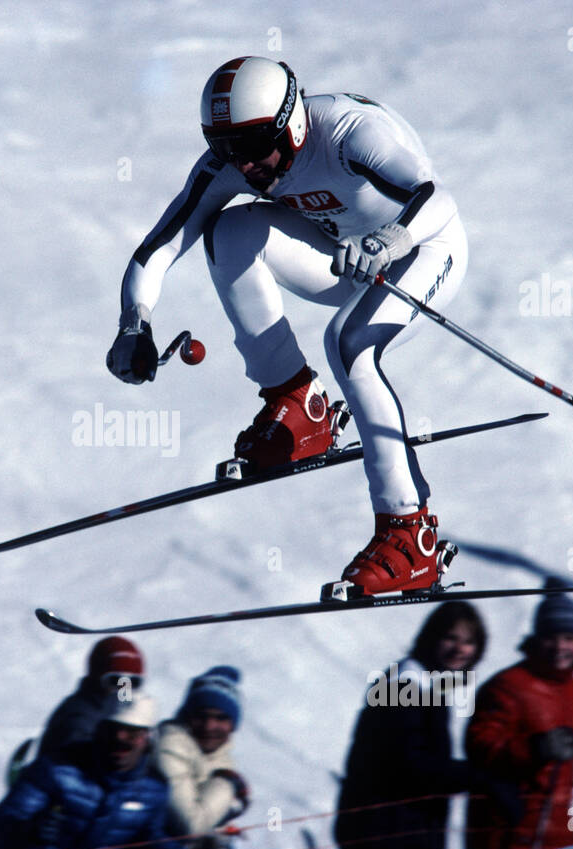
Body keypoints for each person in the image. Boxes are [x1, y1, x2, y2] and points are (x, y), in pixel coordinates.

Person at [107, 55, 466, 596]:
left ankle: (409, 533)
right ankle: (300, 407)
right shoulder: (237, 160)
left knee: (349, 345)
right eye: (225, 150)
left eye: (252, 149)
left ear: (292, 124)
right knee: (228, 232)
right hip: (344, 257)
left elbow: (435, 197)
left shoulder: (349, 132)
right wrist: (135, 322)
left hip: (423, 249)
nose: (243, 167)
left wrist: (392, 240)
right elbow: (160, 244)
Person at [335, 601, 486, 849]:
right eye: (450, 638)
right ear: (432, 637)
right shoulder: (403, 684)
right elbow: (410, 766)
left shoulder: (430, 685)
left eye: (469, 642)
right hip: (382, 841)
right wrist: (477, 777)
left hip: (405, 838)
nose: (460, 649)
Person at [0, 695, 190, 849]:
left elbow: (149, 839)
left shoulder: (152, 790)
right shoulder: (58, 769)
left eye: (132, 736)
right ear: (100, 732)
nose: (120, 744)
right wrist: (29, 829)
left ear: (147, 740)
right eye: (112, 732)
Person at [466, 589, 573, 849]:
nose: (560, 647)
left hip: (560, 838)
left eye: (569, 638)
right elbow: (479, 746)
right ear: (537, 640)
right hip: (510, 836)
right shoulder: (508, 686)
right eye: (551, 637)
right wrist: (535, 748)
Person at [153, 666, 250, 849]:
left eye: (220, 718)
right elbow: (191, 826)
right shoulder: (171, 744)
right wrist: (227, 786)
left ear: (233, 724)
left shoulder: (219, 755)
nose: (209, 726)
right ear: (188, 716)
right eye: (201, 716)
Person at [38, 636, 145, 757]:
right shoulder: (78, 717)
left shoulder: (122, 711)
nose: (124, 690)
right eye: (115, 681)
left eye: (134, 682)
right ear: (96, 678)